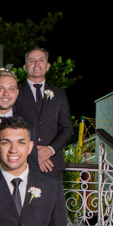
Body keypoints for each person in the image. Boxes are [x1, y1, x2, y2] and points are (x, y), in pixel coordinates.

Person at [13, 47, 72, 178]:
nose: (37, 64)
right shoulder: (15, 92)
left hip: (52, 164)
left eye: (41, 60)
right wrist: (34, 154)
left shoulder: (60, 95)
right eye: (32, 60)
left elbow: (67, 128)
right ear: (25, 67)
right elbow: (11, 127)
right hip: (23, 163)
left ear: (47, 66)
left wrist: (50, 150)